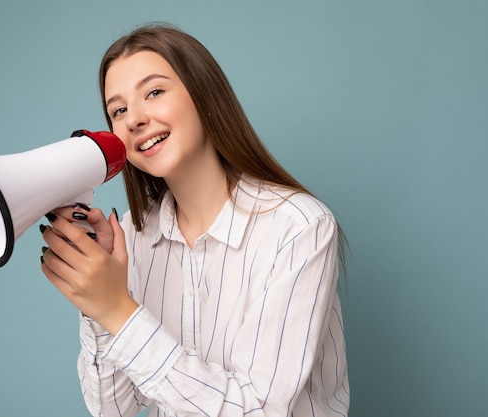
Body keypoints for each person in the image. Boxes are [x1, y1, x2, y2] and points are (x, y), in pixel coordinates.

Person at [40, 23, 349, 417]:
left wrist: (118, 308)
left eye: (153, 92)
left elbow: (260, 411)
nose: (134, 119)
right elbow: (112, 408)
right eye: (118, 110)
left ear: (203, 95)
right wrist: (96, 301)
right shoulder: (132, 236)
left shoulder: (298, 227)